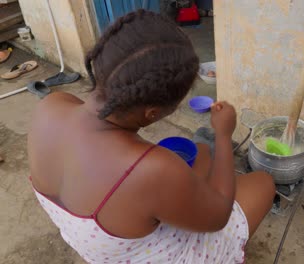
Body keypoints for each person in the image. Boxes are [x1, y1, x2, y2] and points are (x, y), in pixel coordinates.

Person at [28, 9, 275, 264]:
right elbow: (220, 216)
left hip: (102, 247)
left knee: (200, 152)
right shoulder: (152, 169)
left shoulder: (51, 105)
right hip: (158, 254)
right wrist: (224, 136)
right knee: (263, 184)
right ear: (151, 113)